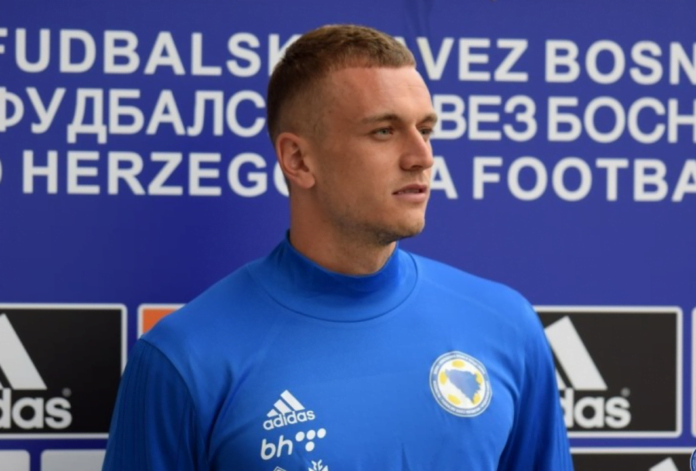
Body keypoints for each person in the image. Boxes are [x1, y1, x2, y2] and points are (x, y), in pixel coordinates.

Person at [102, 24, 573, 471]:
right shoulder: (184, 357)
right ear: (298, 159)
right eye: (384, 130)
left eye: (425, 130)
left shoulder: (505, 325)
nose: (422, 157)